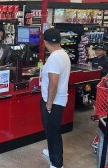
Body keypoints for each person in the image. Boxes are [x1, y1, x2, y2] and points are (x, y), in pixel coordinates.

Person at [40, 28, 71, 168]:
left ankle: (57, 163)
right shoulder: (63, 54)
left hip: (53, 101)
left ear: (45, 42)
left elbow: (53, 82)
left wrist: (49, 103)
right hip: (58, 99)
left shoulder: (54, 58)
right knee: (51, 129)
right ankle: (52, 151)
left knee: (53, 131)